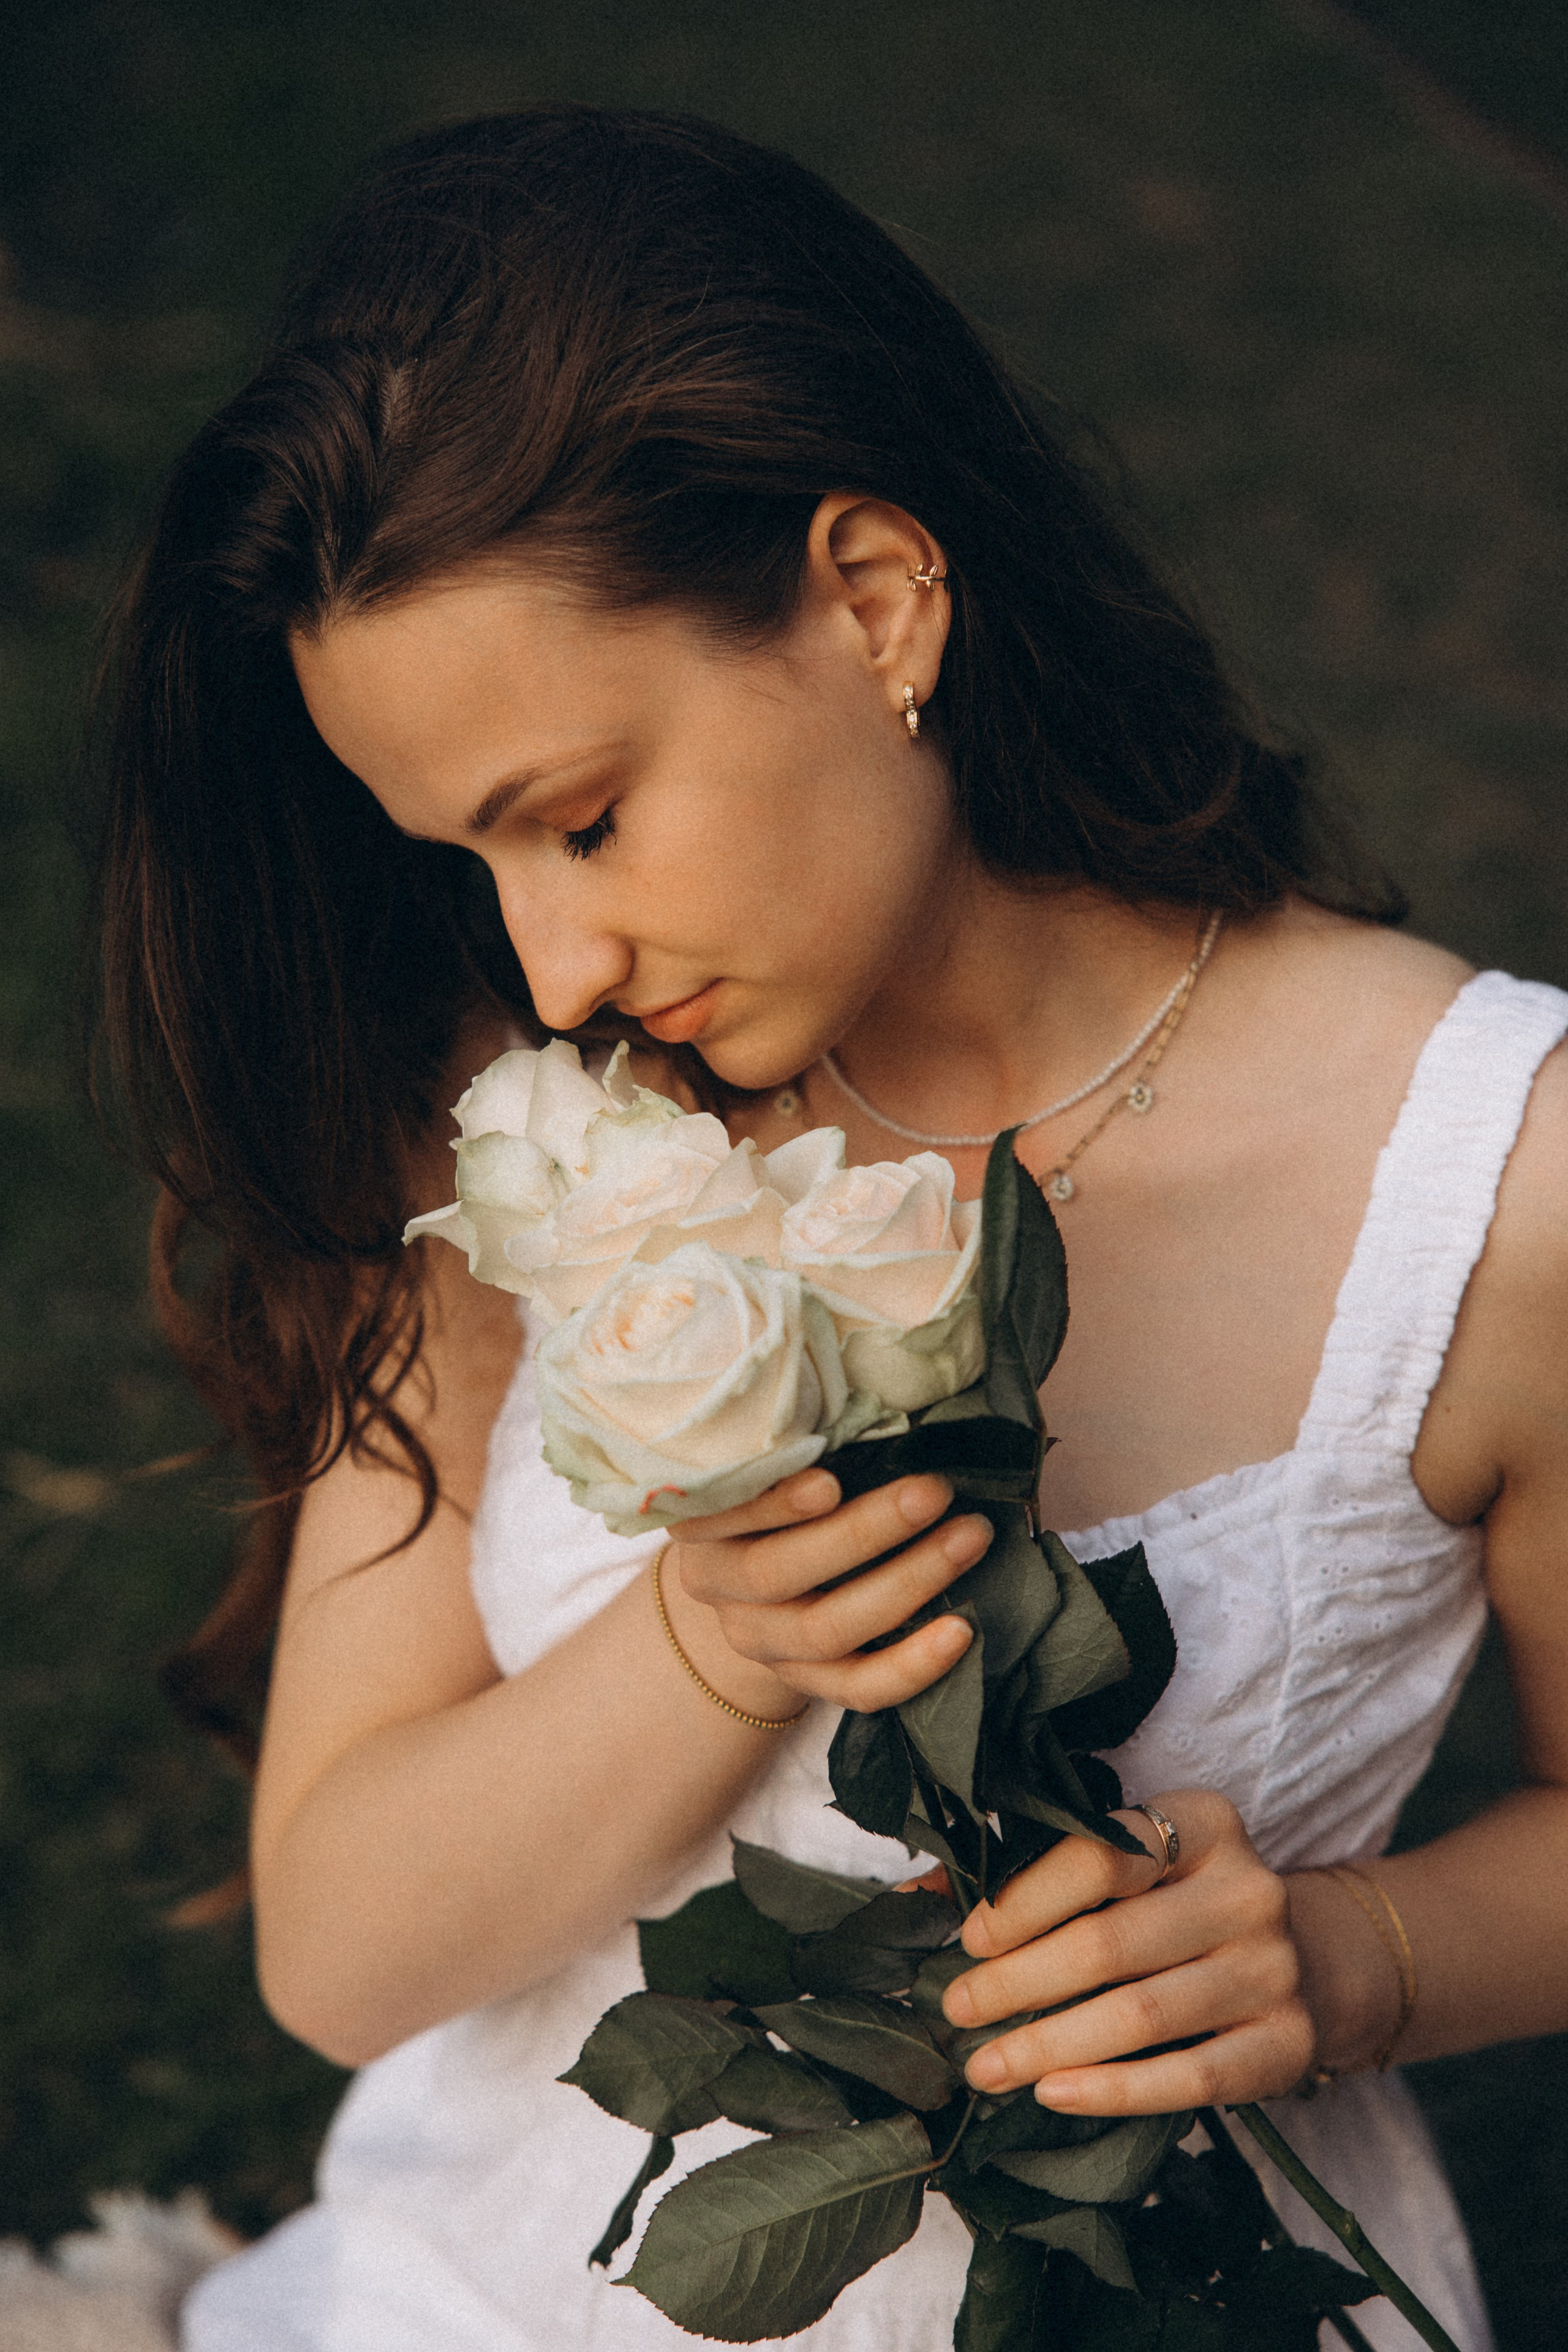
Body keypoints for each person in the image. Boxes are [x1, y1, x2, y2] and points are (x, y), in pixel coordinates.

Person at [92, 105, 1568, 2352]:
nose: (556, 965)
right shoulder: (556, 1148)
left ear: (876, 596)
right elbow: (342, 1948)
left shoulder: (1504, 1188)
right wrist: (706, 1650)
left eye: (580, 819)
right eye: (469, 867)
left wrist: (1356, 1959)